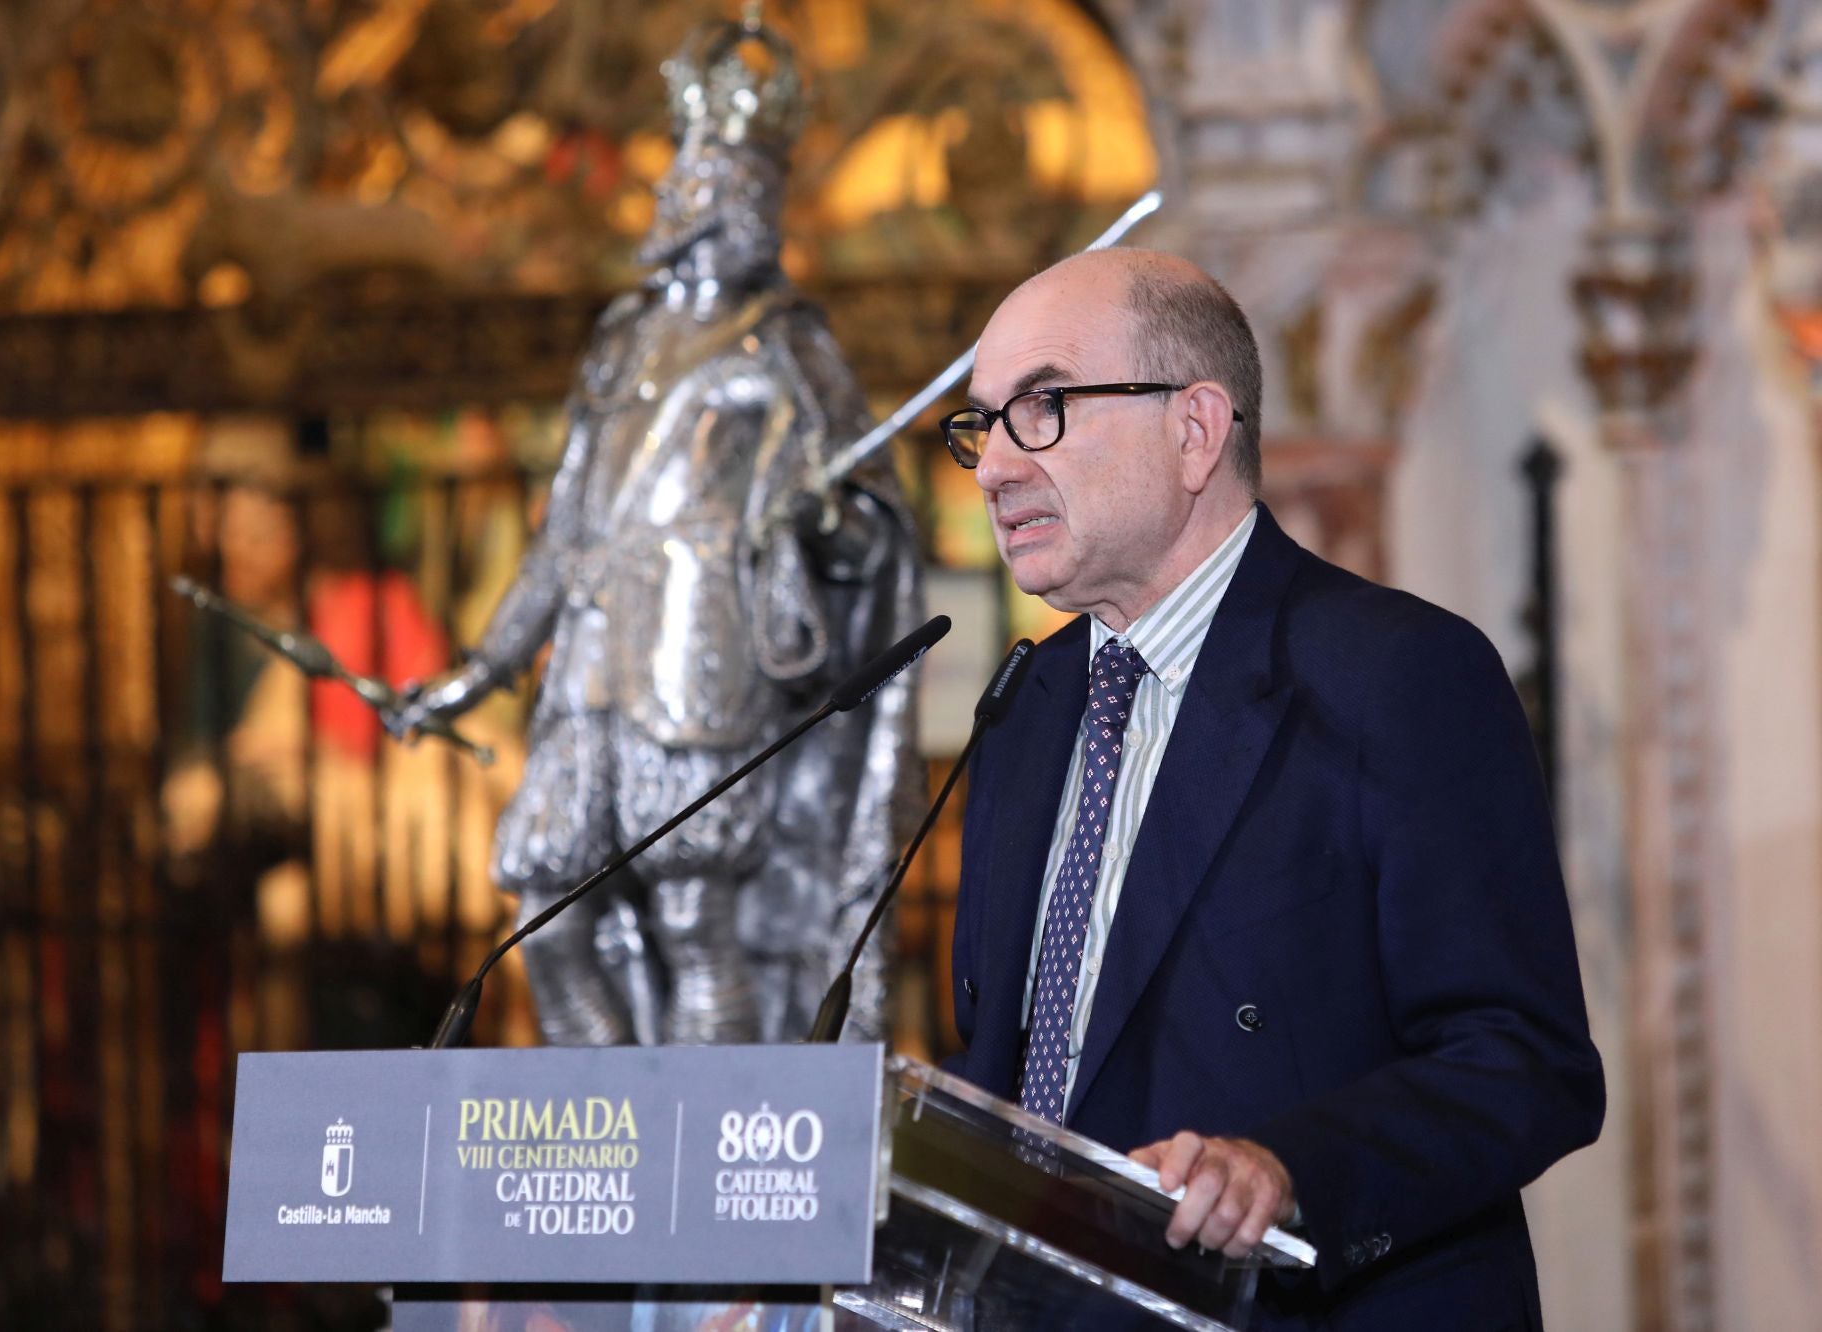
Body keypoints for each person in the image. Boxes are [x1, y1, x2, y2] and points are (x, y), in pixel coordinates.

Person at [943, 248, 1604, 1328]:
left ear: (1196, 429)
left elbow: (1524, 1065)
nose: (994, 467)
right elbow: (1010, 1077)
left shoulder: (1394, 676)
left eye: (1044, 407)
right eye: (982, 424)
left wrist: (1284, 1173)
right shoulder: (1027, 707)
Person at [386, 19, 922, 1049]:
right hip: (590, 665)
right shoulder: (623, 338)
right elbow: (561, 538)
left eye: (706, 180)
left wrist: (823, 519)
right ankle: (611, 1123)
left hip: (698, 662)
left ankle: (697, 1156)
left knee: (691, 915)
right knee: (549, 905)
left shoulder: (788, 345)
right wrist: (475, 676)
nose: (682, 192)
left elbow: (871, 536)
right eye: (689, 174)